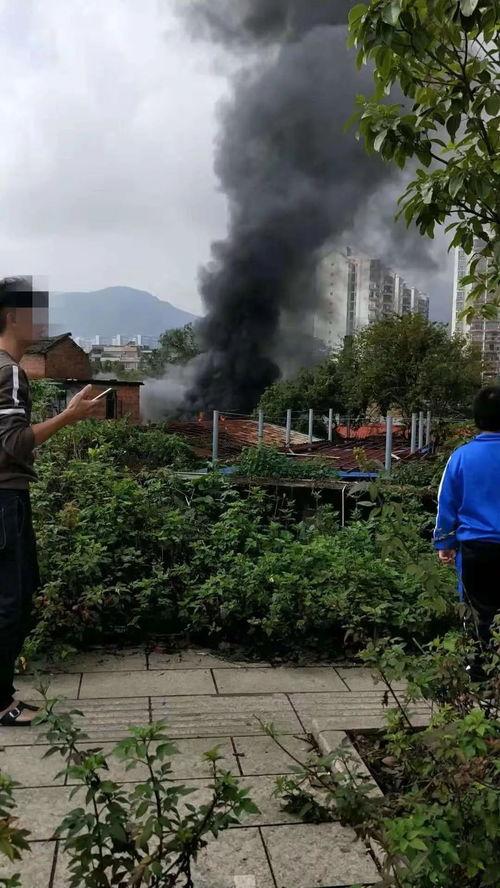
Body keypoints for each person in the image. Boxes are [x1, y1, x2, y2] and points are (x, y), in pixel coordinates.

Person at [0, 277, 100, 727]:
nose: (42, 320)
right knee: (12, 599)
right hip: (5, 499)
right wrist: (69, 416)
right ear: (12, 317)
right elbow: (15, 444)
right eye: (34, 312)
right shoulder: (10, 372)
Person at [434, 386, 500, 676]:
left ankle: (477, 670)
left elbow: (446, 502)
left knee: (476, 612)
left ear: (476, 418)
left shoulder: (461, 457)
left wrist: (444, 543)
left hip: (475, 550)